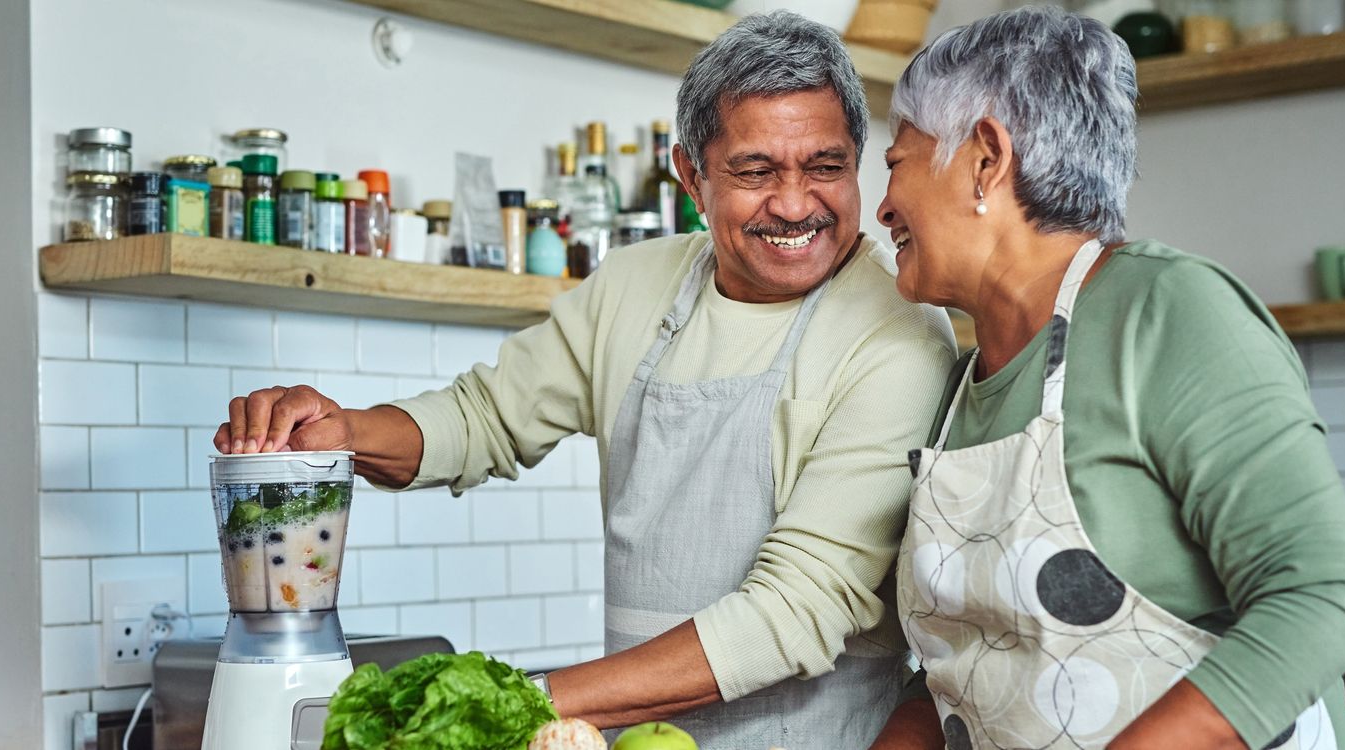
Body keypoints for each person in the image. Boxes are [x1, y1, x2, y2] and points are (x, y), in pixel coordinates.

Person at [217, 11, 958, 748]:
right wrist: (342, 432)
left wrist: (514, 704)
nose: (794, 204)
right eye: (755, 172)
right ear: (692, 177)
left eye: (825, 167)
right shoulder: (636, 285)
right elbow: (484, 418)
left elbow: (795, 608)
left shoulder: (899, 333)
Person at [867, 8, 1345, 750]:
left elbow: (1324, 596)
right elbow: (970, 670)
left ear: (985, 159)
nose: (883, 206)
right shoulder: (959, 389)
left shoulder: (1169, 310)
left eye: (896, 163)